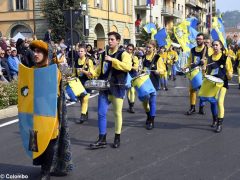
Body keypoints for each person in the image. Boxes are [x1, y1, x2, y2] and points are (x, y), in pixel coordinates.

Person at [26, 40, 73, 179]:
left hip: (49, 114)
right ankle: (43, 167)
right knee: (37, 142)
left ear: (47, 55)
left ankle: (46, 172)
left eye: (39, 52)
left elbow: (53, 93)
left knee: (50, 142)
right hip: (34, 114)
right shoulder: (31, 71)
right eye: (34, 51)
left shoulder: (54, 72)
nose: (35, 54)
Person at [88, 32, 132, 149]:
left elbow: (127, 67)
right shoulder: (103, 55)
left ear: (118, 41)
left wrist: (113, 60)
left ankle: (117, 137)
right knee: (101, 113)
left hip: (117, 87)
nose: (110, 41)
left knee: (117, 114)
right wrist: (91, 73)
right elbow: (99, 70)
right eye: (109, 39)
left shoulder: (124, 54)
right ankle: (102, 138)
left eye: (112, 39)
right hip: (104, 88)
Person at [205, 40, 233, 132]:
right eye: (213, 45)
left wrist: (229, 74)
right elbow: (206, 73)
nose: (215, 47)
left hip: (222, 83)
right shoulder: (209, 58)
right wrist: (203, 70)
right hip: (212, 84)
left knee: (220, 102)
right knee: (213, 102)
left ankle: (219, 124)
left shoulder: (226, 58)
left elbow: (230, 73)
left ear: (221, 46)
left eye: (217, 45)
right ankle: (214, 119)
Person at [142, 40, 166, 130]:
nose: (148, 49)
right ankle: (148, 115)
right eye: (147, 47)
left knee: (152, 102)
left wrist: (158, 71)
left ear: (154, 48)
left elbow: (163, 70)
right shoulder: (143, 57)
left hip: (153, 82)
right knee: (144, 102)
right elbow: (141, 68)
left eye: (150, 47)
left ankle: (151, 121)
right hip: (144, 82)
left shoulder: (157, 58)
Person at [183, 33, 209, 115]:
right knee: (192, 90)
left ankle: (201, 108)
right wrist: (185, 66)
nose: (198, 40)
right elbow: (189, 60)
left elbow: (211, 60)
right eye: (197, 39)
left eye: (200, 39)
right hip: (193, 72)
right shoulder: (193, 49)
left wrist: (205, 63)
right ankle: (192, 107)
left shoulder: (208, 49)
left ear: (203, 40)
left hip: (203, 72)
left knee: (202, 91)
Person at [74, 45, 94, 123]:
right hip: (79, 82)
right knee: (82, 100)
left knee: (85, 98)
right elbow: (74, 72)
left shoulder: (89, 61)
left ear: (85, 52)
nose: (80, 52)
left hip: (87, 82)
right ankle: (85, 113)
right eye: (79, 51)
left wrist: (83, 71)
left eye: (82, 51)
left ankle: (82, 115)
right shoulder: (76, 60)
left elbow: (91, 74)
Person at [126, 44, 139, 113]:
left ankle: (131, 106)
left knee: (132, 90)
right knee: (128, 90)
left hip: (133, 74)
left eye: (130, 49)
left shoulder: (135, 58)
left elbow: (136, 67)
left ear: (133, 50)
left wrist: (129, 66)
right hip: (126, 75)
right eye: (128, 49)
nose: (129, 50)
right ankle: (130, 106)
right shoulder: (123, 56)